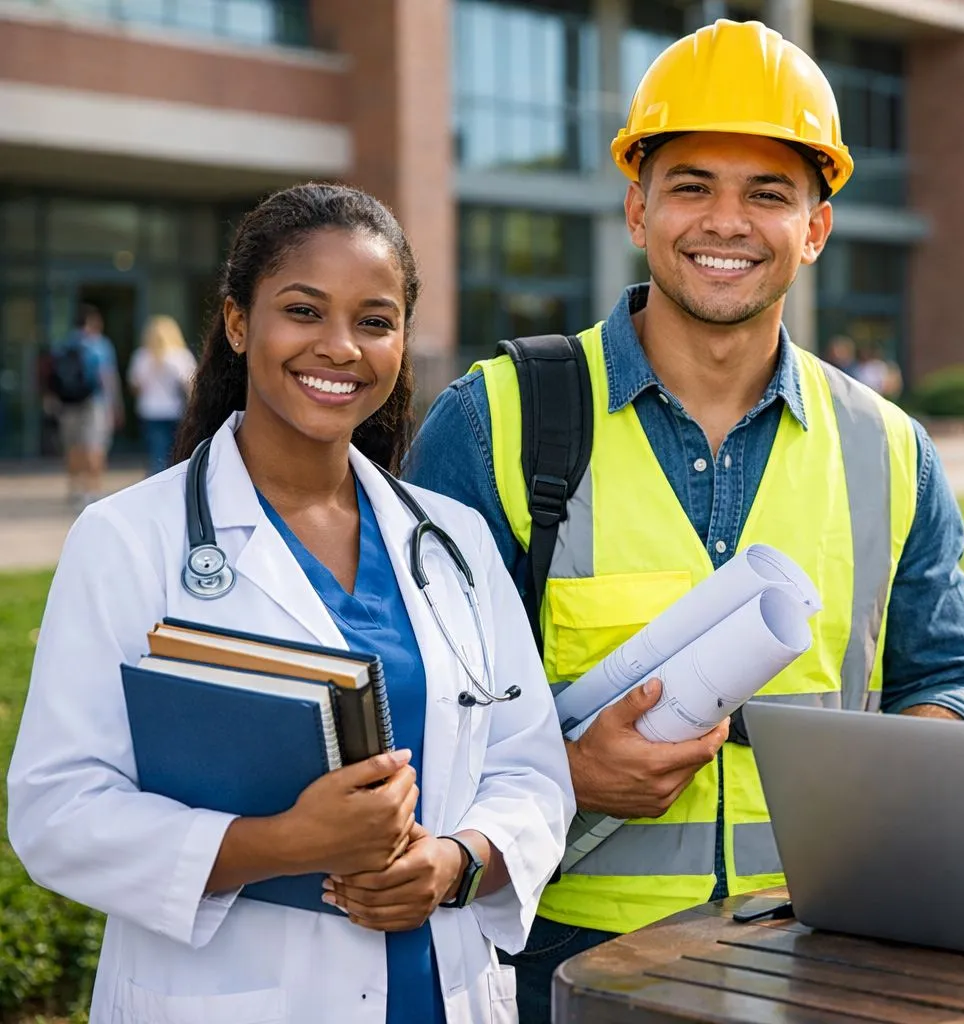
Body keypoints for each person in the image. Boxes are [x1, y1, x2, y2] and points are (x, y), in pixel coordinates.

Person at [404, 19, 964, 1023]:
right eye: (692, 186)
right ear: (638, 208)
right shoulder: (494, 419)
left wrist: (904, 762)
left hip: (817, 947)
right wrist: (568, 774)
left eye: (768, 193)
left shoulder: (889, 448)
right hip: (557, 960)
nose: (727, 222)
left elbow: (956, 681)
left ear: (816, 227)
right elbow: (408, 709)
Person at [7, 183, 575, 1024]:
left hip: (438, 989)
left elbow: (530, 772)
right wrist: (283, 844)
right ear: (239, 323)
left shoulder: (451, 539)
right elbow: (56, 811)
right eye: (304, 311)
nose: (340, 347)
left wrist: (458, 862)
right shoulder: (128, 539)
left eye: (375, 321)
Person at [47, 303, 122, 506]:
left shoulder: (64, 344)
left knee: (72, 446)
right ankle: (94, 489)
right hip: (94, 402)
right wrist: (115, 406)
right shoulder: (100, 345)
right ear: (92, 321)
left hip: (68, 402)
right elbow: (107, 377)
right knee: (95, 445)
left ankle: (75, 488)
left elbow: (53, 376)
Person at [128, 314, 198, 475]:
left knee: (156, 453)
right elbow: (190, 384)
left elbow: (135, 387)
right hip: (174, 409)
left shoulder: (141, 356)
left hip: (149, 410)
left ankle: (156, 480)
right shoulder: (180, 355)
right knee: (176, 452)